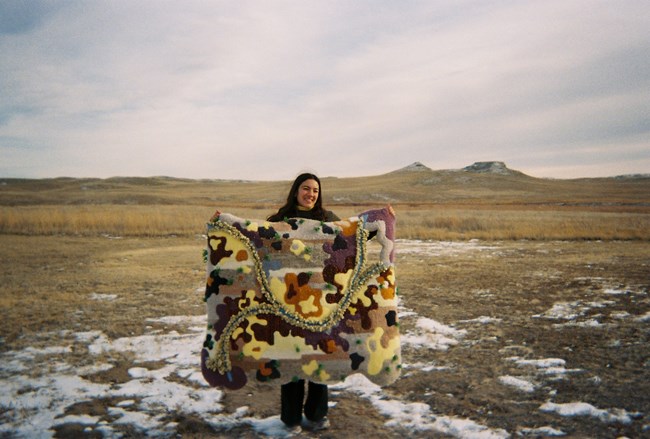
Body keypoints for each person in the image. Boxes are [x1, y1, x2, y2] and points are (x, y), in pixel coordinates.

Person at [267, 172, 339, 432]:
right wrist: (224, 224)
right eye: (306, 188)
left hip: (320, 300)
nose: (311, 194)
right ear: (296, 190)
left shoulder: (327, 220)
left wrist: (383, 220)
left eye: (315, 191)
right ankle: (291, 418)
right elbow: (256, 241)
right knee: (292, 359)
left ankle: (317, 414)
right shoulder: (280, 220)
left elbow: (351, 239)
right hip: (288, 300)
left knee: (319, 356)